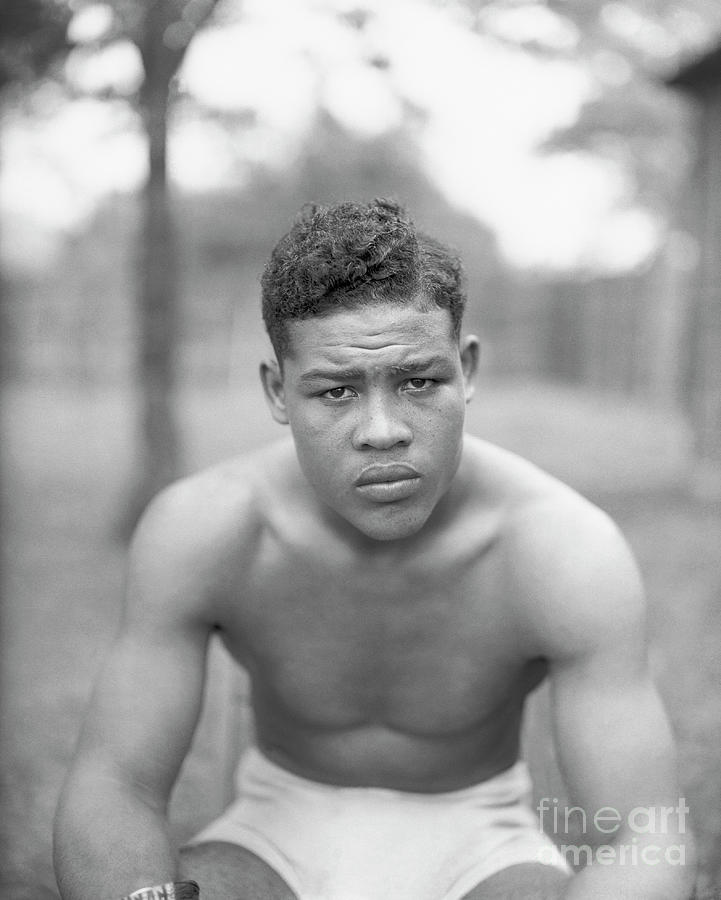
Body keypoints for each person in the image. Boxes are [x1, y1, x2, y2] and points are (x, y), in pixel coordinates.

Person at [54, 199, 695, 900]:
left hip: (481, 841)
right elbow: (115, 783)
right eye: (335, 391)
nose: (382, 431)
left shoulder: (563, 550)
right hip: (272, 830)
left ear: (468, 369)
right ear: (278, 390)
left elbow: (645, 832)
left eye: (418, 382)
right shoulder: (207, 529)